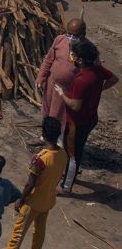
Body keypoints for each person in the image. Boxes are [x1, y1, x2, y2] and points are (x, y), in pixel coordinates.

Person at [59, 38, 117, 193]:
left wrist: (62, 94)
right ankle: (70, 175)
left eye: (74, 55)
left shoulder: (82, 80)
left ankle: (66, 187)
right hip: (91, 118)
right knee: (78, 149)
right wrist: (99, 90)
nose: (72, 56)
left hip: (76, 122)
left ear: (80, 59)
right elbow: (114, 79)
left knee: (72, 154)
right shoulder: (98, 70)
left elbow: (75, 106)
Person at [7, 118, 67, 249]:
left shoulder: (40, 159)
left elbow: (30, 184)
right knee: (39, 233)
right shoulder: (63, 155)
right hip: (48, 201)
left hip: (33, 203)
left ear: (43, 134)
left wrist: (21, 201)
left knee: (17, 236)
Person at [37, 18, 87, 125]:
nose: (71, 38)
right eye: (69, 34)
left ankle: (59, 138)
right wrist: (41, 76)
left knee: (62, 114)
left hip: (69, 89)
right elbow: (48, 60)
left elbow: (93, 72)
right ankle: (46, 134)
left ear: (83, 34)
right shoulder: (60, 40)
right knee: (48, 109)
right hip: (52, 84)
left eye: (75, 35)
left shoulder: (87, 48)